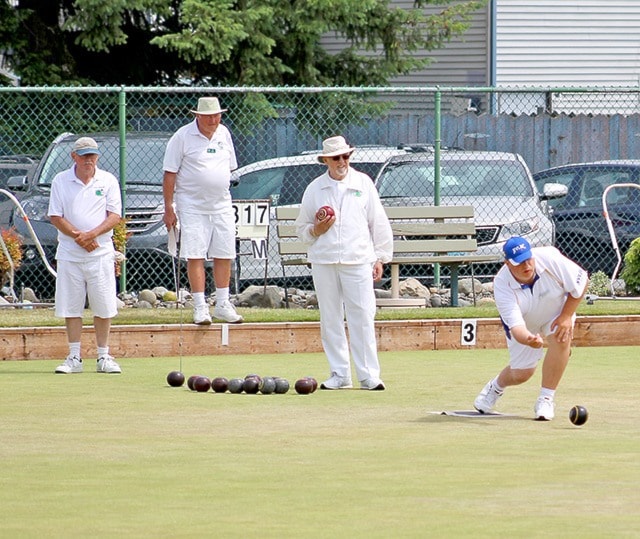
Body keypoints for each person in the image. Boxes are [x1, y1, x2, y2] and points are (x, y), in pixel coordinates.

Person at [295, 136, 393, 390]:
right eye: (336, 157)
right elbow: (302, 228)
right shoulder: (315, 189)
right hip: (324, 260)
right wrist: (316, 230)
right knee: (330, 318)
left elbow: (378, 222)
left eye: (346, 156)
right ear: (325, 160)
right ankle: (340, 374)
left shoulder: (363, 183)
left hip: (358, 259)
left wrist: (380, 256)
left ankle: (369, 375)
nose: (342, 162)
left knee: (362, 315)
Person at [474, 236, 589, 420]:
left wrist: (566, 316)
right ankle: (495, 387)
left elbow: (581, 282)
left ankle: (545, 399)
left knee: (561, 337)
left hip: (556, 313)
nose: (526, 266)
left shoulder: (550, 258)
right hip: (526, 325)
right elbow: (517, 327)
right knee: (522, 374)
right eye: (519, 263)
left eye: (528, 259)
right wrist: (529, 339)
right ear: (507, 264)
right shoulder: (502, 285)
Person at [162, 96, 243, 325]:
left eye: (216, 115)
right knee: (195, 253)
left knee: (225, 252)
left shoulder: (224, 134)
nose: (213, 119)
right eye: (208, 116)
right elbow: (170, 174)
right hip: (191, 204)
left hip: (222, 203)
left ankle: (223, 304)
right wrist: (169, 208)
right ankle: (199, 306)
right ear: (197, 115)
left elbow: (229, 168)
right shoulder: (182, 137)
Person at [50, 136, 123, 374]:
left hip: (100, 252)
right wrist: (79, 237)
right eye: (84, 156)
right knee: (71, 306)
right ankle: (74, 357)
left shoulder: (108, 180)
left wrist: (91, 235)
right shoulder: (61, 180)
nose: (88, 160)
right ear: (74, 157)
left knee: (103, 305)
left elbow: (114, 215)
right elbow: (56, 216)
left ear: (97, 157)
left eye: (92, 156)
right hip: (70, 253)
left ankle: (103, 356)